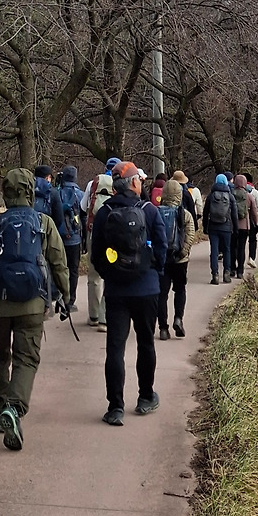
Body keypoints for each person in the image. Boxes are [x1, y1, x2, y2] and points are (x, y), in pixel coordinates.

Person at [0, 167, 69, 453]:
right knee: (26, 358)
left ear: (5, 194)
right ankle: (15, 408)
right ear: (32, 193)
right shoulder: (44, 223)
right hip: (33, 302)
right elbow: (59, 263)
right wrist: (66, 296)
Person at [90, 162, 166, 424]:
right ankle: (145, 397)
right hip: (146, 289)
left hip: (116, 291)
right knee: (146, 344)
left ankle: (115, 407)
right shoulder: (150, 211)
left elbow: (96, 253)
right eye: (140, 180)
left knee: (115, 348)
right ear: (134, 183)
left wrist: (110, 274)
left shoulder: (104, 213)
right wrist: (152, 271)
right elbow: (162, 248)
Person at [156, 175, 197, 339]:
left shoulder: (156, 212)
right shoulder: (184, 214)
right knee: (179, 289)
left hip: (162, 259)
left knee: (162, 294)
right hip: (180, 260)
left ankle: (163, 328)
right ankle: (178, 318)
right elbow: (190, 234)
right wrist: (184, 251)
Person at [80, 160, 117, 330]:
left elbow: (83, 206)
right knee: (111, 274)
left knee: (94, 276)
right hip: (112, 233)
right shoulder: (120, 183)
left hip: (94, 231)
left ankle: (93, 315)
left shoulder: (92, 183)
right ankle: (104, 318)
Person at [53, 163, 85, 308]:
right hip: (75, 238)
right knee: (73, 269)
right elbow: (84, 217)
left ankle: (59, 297)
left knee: (59, 267)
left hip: (57, 237)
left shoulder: (56, 193)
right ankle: (70, 301)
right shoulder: (80, 194)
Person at [203, 173, 234, 283]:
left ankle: (215, 275)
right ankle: (226, 273)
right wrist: (234, 228)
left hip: (213, 227)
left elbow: (205, 212)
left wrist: (205, 226)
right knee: (227, 250)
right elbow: (234, 213)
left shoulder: (211, 196)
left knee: (214, 251)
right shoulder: (230, 196)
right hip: (226, 227)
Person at [230, 174, 253, 278]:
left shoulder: (230, 194)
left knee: (232, 247)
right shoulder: (248, 196)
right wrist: (255, 223)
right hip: (244, 226)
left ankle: (232, 269)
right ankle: (240, 271)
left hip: (232, 226)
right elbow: (254, 212)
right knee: (241, 248)